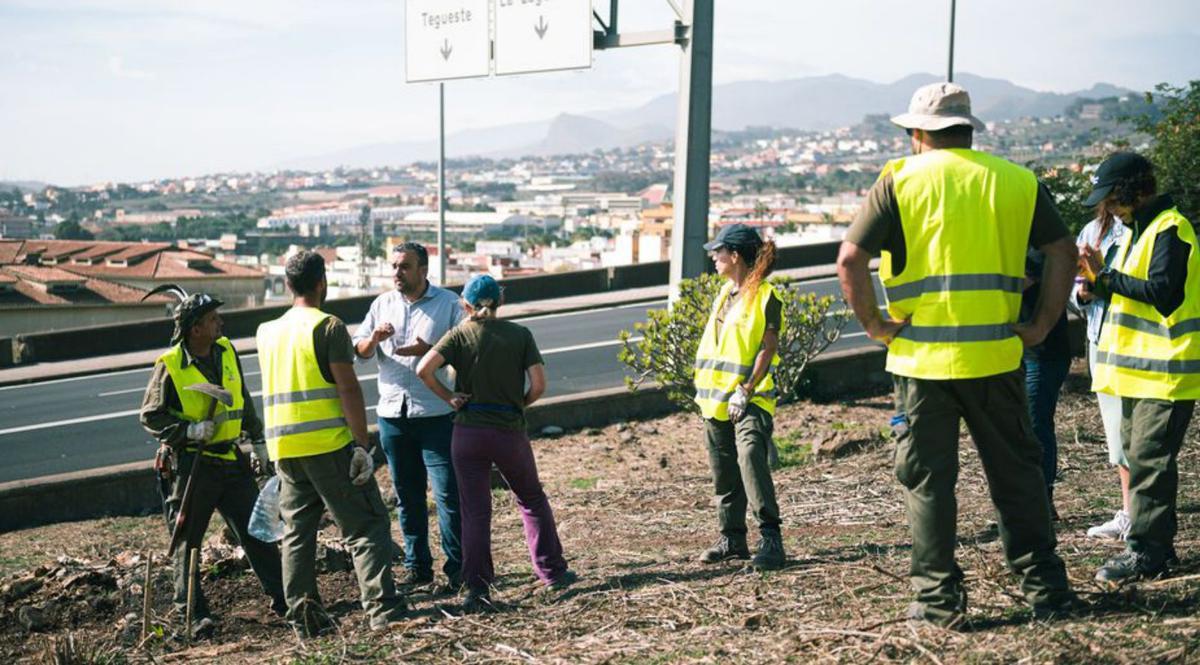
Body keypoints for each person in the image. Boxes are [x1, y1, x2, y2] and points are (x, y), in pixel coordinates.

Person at [836, 82, 1078, 627]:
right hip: (997, 359)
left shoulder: (897, 180)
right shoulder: (1017, 181)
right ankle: (1047, 589)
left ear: (918, 133)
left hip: (921, 366)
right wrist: (1040, 323)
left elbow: (850, 258)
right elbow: (1062, 252)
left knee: (928, 483)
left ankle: (939, 602)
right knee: (1018, 475)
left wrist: (875, 325)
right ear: (969, 131)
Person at [255, 250, 407, 634]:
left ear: (288, 285)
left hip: (285, 449)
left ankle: (305, 617)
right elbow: (348, 389)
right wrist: (360, 445)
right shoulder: (328, 327)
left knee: (297, 533)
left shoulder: (266, 331)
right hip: (329, 446)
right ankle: (383, 611)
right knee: (366, 525)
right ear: (322, 282)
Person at [416, 274, 574, 612]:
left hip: (467, 432)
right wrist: (518, 403)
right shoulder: (520, 335)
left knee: (475, 512)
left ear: (466, 304)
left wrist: (449, 397)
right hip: (508, 429)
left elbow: (423, 369)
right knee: (531, 498)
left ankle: (477, 587)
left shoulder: (458, 335)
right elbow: (539, 385)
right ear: (500, 301)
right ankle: (552, 571)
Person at [139, 284, 285, 637]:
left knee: (257, 532)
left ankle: (285, 598)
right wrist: (188, 431)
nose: (220, 322)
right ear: (195, 329)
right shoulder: (170, 366)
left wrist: (259, 443)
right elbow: (150, 416)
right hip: (193, 467)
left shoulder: (226, 351)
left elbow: (242, 399)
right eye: (212, 318)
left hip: (231, 461)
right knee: (187, 541)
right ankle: (193, 614)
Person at [1081, 152, 1199, 583]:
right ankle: (1151, 548)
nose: (1108, 208)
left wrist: (1106, 278)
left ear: (1134, 189)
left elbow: (1164, 293)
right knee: (1140, 460)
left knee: (1150, 464)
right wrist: (1098, 284)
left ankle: (1148, 553)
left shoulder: (1171, 228)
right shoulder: (1135, 232)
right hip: (1137, 375)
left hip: (1165, 374)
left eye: (1113, 198)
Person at [353, 242, 463, 589]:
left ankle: (459, 567)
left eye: (405, 267)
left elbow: (467, 348)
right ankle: (418, 566)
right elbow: (360, 352)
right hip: (393, 416)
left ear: (423, 270)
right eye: (394, 267)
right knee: (407, 496)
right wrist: (374, 338)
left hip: (435, 415)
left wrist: (429, 350)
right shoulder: (382, 304)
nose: (397, 273)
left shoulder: (448, 304)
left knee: (447, 494)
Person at [692, 223, 787, 572]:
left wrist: (745, 390)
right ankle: (732, 539)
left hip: (751, 398)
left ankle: (771, 539)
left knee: (750, 457)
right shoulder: (724, 294)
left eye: (719, 251)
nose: (714, 257)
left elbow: (767, 347)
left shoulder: (765, 296)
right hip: (714, 401)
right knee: (724, 471)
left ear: (734, 255)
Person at [1070, 208, 1130, 539]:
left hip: (1134, 340)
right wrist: (1082, 293)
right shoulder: (1092, 230)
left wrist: (1103, 277)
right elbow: (1075, 287)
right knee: (1117, 432)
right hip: (1101, 337)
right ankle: (1129, 511)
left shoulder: (1144, 230)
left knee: (1138, 432)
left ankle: (1139, 514)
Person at [1021, 249, 1072, 518]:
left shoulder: (1038, 246)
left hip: (1043, 354)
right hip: (1017, 353)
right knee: (1022, 427)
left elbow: (1019, 281)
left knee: (1036, 425)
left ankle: (1043, 500)